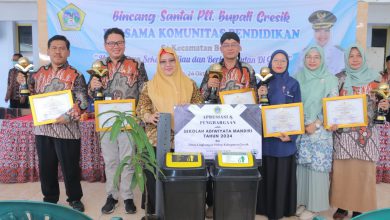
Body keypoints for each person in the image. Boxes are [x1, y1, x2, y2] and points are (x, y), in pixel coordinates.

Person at [16, 35, 87, 212]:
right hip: (43, 130)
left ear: (68, 52)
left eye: (62, 48)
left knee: (70, 167)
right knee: (46, 167)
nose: (58, 51)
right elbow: (25, 99)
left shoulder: (76, 75)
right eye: (54, 48)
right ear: (48, 51)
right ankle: (49, 198)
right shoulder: (37, 74)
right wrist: (21, 85)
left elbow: (83, 101)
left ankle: (75, 199)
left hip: (67, 130)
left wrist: (69, 116)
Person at [136, 47, 203, 219]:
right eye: (163, 61)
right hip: (155, 139)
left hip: (183, 141)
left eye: (171, 60)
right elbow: (141, 107)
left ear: (177, 62)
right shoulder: (149, 86)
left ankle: (179, 211)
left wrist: (189, 110)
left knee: (180, 178)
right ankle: (156, 213)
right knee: (154, 178)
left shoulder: (190, 84)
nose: (168, 65)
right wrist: (148, 115)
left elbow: (199, 105)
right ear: (158, 64)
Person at [88, 27, 148, 214]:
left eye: (119, 42)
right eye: (112, 43)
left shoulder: (136, 64)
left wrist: (141, 116)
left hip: (129, 121)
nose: (116, 46)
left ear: (124, 43)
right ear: (105, 45)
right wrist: (92, 86)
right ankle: (112, 196)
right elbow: (91, 95)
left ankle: (127, 196)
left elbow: (144, 92)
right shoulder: (98, 66)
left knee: (128, 160)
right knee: (111, 161)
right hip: (106, 121)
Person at [199, 31, 257, 218]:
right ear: (221, 48)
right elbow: (201, 97)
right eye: (226, 44)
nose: (230, 47)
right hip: (218, 123)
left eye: (234, 44)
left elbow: (255, 99)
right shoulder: (212, 68)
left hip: (240, 125)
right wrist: (209, 85)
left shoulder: (248, 70)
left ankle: (233, 201)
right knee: (212, 162)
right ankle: (211, 203)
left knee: (234, 162)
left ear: (239, 47)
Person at [331, 44, 389, 219]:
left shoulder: (377, 80)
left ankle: (359, 208)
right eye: (351, 56)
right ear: (346, 59)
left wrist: (385, 106)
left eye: (358, 56)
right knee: (343, 171)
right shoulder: (340, 78)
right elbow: (331, 102)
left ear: (364, 58)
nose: (355, 59)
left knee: (363, 172)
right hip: (344, 134)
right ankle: (342, 206)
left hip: (367, 133)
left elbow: (383, 107)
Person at [293, 45, 338, 220]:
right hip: (301, 129)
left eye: (316, 57)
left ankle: (315, 207)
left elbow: (332, 107)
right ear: (304, 59)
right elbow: (293, 104)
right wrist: (304, 123)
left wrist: (316, 124)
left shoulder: (330, 79)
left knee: (317, 170)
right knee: (301, 167)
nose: (312, 60)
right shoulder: (297, 78)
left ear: (322, 59)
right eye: (309, 57)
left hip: (320, 132)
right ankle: (302, 202)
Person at [256, 50, 301, 220]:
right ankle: (262, 208)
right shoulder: (261, 82)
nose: (279, 63)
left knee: (282, 176)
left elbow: (298, 111)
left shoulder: (293, 83)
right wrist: (258, 96)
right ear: (270, 62)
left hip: (284, 140)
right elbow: (252, 109)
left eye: (283, 60)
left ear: (287, 63)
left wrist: (292, 136)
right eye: (276, 60)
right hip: (265, 140)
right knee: (266, 175)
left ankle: (281, 209)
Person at [295, 10, 344, 75]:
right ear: (313, 32)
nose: (322, 35)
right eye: (318, 31)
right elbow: (297, 79)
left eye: (326, 30)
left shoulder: (340, 55)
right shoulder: (304, 53)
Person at [376, 55, 390, 183]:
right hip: (381, 117)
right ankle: (378, 173)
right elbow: (380, 96)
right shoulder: (382, 78)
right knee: (381, 146)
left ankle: (386, 173)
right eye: (388, 63)